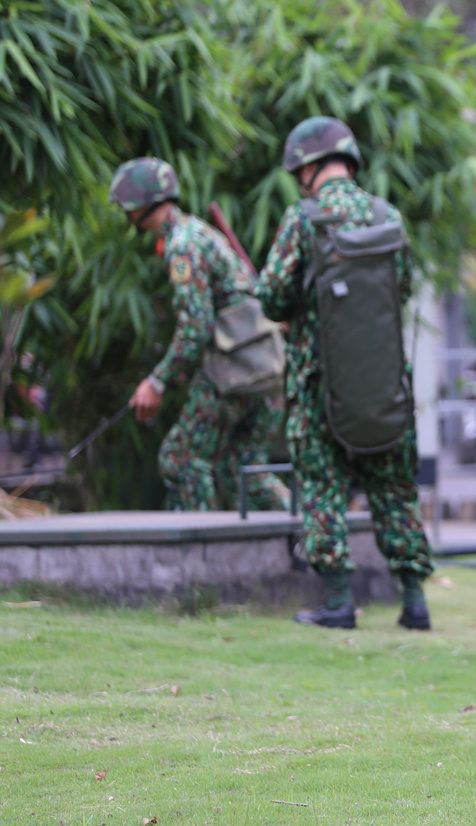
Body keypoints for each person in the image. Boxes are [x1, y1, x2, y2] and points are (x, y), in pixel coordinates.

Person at [255, 116, 433, 631]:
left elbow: (270, 296)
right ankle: (414, 601)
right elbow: (400, 289)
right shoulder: (386, 215)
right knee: (394, 486)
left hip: (318, 386)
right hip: (383, 382)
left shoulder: (304, 218)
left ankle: (337, 602)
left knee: (322, 485)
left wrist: (298, 310)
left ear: (305, 167)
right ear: (348, 160)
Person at [109, 158, 289, 513]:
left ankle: (200, 560)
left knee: (181, 458)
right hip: (266, 366)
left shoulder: (182, 246)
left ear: (140, 204)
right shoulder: (200, 231)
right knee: (245, 468)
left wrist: (156, 383)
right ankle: (313, 533)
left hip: (233, 369)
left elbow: (195, 329)